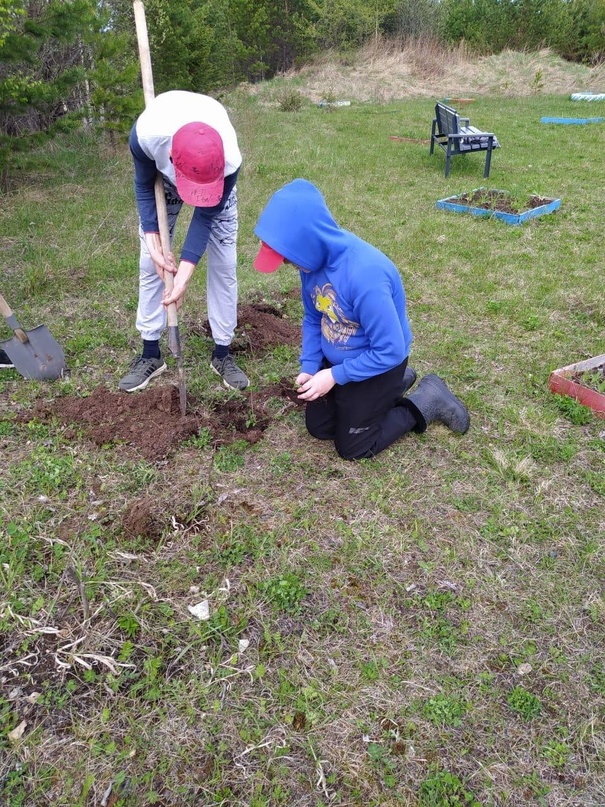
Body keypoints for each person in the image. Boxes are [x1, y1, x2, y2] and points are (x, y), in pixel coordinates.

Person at [253, 178, 470, 460]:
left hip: (380, 362)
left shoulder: (365, 276)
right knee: (319, 427)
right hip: (340, 360)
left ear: (310, 241)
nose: (284, 263)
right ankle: (388, 389)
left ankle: (427, 399)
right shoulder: (309, 262)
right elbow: (312, 317)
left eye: (285, 257)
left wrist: (333, 376)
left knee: (353, 446)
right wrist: (310, 366)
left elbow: (389, 350)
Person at [119, 90, 249, 393]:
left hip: (216, 183)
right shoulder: (148, 135)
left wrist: (184, 278)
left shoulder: (229, 159)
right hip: (166, 178)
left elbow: (205, 217)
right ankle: (151, 353)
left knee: (224, 264)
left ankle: (223, 353)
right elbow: (142, 185)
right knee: (151, 261)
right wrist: (152, 239)